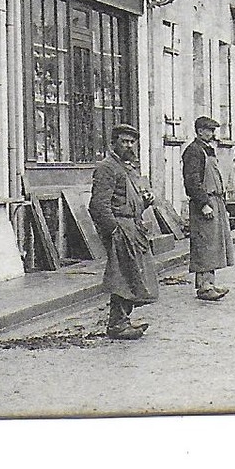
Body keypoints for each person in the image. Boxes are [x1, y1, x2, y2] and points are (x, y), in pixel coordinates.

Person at [87, 123, 159, 340]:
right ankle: (117, 324)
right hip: (121, 229)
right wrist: (114, 231)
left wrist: (144, 202)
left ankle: (123, 320)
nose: (128, 145)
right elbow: (98, 205)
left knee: (132, 274)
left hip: (133, 227)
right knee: (122, 277)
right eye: (124, 141)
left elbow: (127, 200)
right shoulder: (107, 168)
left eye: (131, 142)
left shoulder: (127, 168)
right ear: (113, 143)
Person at [183, 115, 234, 300]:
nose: (213, 134)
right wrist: (203, 204)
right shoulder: (194, 151)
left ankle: (209, 283)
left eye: (213, 130)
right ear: (199, 131)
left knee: (213, 245)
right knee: (204, 244)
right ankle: (204, 287)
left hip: (215, 201)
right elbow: (192, 182)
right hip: (204, 203)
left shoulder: (207, 150)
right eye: (210, 130)